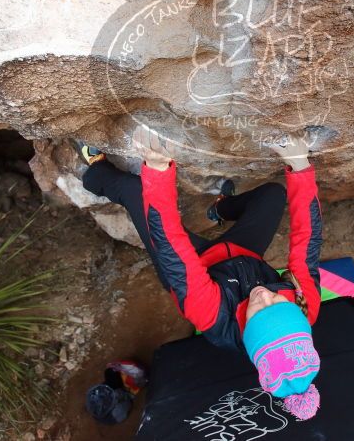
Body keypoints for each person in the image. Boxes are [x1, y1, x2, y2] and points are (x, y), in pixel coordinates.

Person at [75, 126, 323, 420]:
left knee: (134, 191)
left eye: (258, 311)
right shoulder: (305, 302)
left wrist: (158, 169)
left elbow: (171, 244)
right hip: (241, 256)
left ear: (250, 334)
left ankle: (95, 172)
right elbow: (308, 239)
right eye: (278, 302)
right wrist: (301, 166)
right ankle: (221, 209)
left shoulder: (211, 314)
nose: (264, 295)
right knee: (272, 195)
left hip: (194, 266)